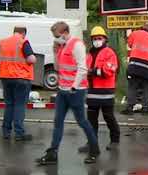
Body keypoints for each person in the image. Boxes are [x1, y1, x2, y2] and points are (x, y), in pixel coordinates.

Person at [36, 21, 100, 165]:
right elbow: (58, 68)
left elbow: (82, 69)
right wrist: (54, 51)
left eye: (57, 35)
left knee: (82, 121)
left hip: (75, 91)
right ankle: (53, 153)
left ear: (65, 33)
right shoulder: (62, 46)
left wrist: (74, 87)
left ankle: (94, 149)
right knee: (58, 121)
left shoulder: (77, 45)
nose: (55, 38)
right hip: (62, 90)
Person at [78, 26, 120, 153]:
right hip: (92, 91)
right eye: (95, 38)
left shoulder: (109, 53)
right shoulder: (89, 54)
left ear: (105, 39)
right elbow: (84, 69)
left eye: (99, 38)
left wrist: (93, 71)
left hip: (106, 91)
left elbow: (110, 70)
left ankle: (115, 141)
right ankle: (91, 142)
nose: (97, 40)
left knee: (109, 117)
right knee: (91, 120)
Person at [0, 26, 37, 141]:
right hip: (21, 78)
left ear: (14, 32)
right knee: (19, 105)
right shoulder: (23, 42)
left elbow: (0, 57)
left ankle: (6, 132)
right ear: (23, 33)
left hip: (5, 77)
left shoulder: (3, 42)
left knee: (9, 104)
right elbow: (31, 59)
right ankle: (19, 133)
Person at [121, 23, 148, 115]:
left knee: (133, 86)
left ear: (142, 28)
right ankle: (145, 109)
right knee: (147, 87)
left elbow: (130, 44)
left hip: (136, 64)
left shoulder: (136, 33)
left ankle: (129, 108)